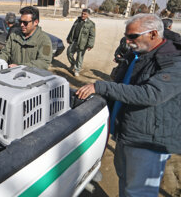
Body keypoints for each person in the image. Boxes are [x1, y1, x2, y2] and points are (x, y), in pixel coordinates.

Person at [76, 13, 181, 197]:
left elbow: (151, 94)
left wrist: (101, 86)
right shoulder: (137, 53)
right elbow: (122, 83)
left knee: (138, 191)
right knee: (125, 180)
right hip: (127, 133)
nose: (127, 40)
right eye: (126, 35)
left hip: (148, 141)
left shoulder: (173, 60)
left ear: (154, 34)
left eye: (132, 36)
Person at [66, 8, 95, 76]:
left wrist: (90, 45)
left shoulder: (91, 24)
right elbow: (72, 30)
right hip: (74, 41)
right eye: (82, 13)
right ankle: (73, 64)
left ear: (88, 15)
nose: (82, 15)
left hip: (83, 43)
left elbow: (92, 36)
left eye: (84, 14)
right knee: (69, 53)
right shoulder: (77, 20)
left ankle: (77, 70)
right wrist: (68, 38)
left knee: (79, 57)